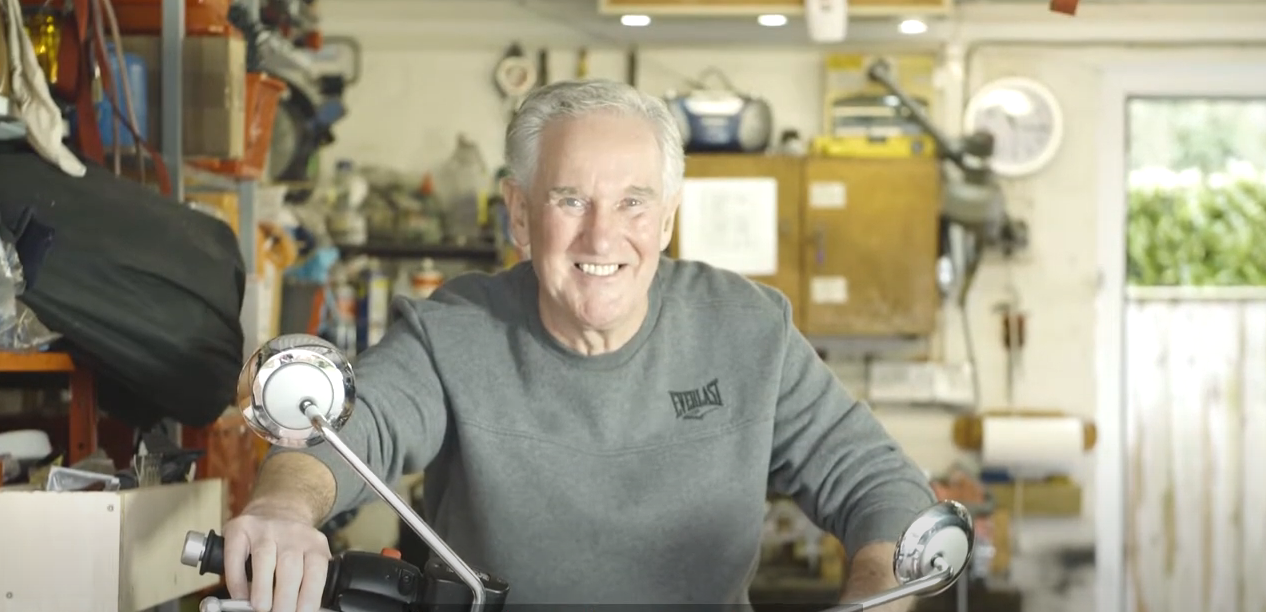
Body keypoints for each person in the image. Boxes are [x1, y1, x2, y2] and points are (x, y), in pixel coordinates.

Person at [222, 78, 936, 612]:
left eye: (633, 202)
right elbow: (351, 429)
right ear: (521, 216)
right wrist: (283, 512)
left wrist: (875, 596)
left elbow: (884, 488)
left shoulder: (749, 329)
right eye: (570, 200)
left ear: (665, 221)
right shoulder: (454, 330)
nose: (602, 236)